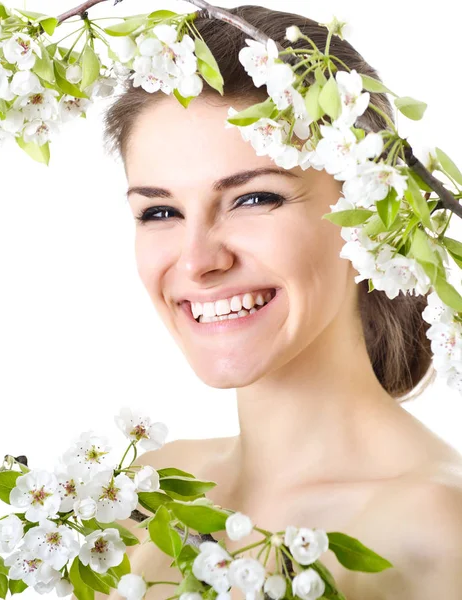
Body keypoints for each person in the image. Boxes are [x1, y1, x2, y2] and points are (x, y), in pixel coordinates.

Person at [99, 5, 462, 599]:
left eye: (253, 199)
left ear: (372, 213)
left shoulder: (441, 534)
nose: (196, 261)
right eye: (160, 212)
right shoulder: (143, 493)